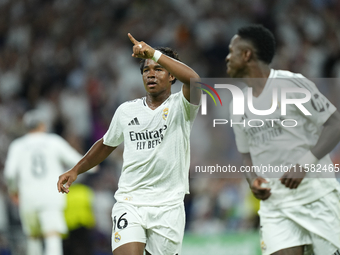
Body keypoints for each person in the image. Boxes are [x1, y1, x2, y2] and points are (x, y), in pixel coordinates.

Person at [57, 33, 201, 255]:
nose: (150, 75)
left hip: (168, 206)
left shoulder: (181, 107)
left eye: (158, 69)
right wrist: (76, 170)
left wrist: (152, 53)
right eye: (146, 70)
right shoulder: (126, 110)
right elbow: (106, 144)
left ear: (172, 76)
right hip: (130, 201)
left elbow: (194, 80)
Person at [226, 24, 340, 255]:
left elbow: (335, 123)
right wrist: (252, 180)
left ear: (247, 54)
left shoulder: (292, 84)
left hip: (317, 197)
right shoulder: (236, 105)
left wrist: (304, 164)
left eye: (232, 51)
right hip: (276, 206)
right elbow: (247, 154)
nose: (227, 57)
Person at [4, 110, 84, 255]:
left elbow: (9, 174)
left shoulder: (17, 145)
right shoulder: (53, 141)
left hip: (28, 196)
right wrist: (94, 166)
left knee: (33, 237)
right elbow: (76, 160)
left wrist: (13, 191)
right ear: (42, 125)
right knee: (52, 235)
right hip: (51, 195)